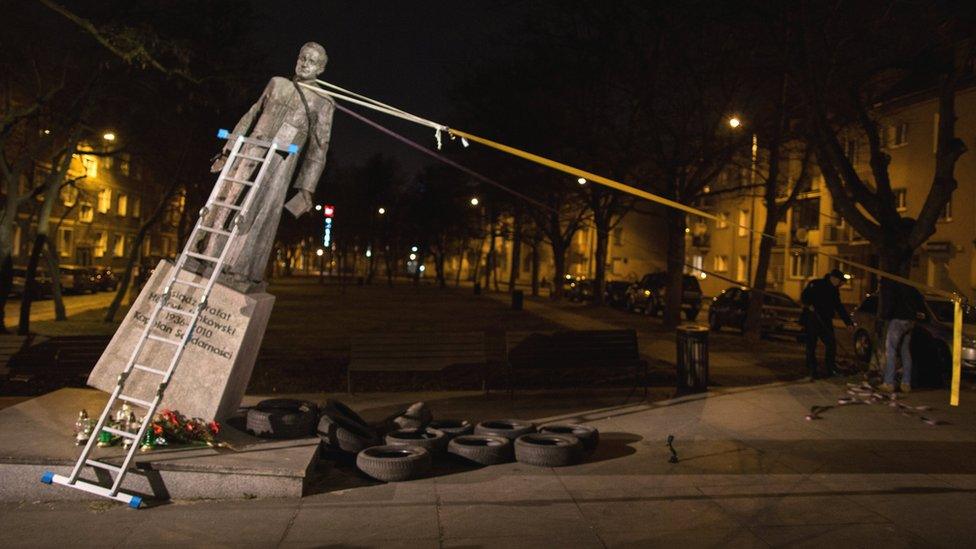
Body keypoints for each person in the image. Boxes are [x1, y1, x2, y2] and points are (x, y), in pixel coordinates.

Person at [196, 41, 335, 292]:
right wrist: (228, 150)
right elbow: (252, 114)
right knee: (227, 199)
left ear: (321, 69)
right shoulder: (276, 83)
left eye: (312, 61)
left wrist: (306, 187)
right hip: (249, 150)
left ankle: (239, 269)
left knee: (258, 211)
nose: (305, 63)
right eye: (303, 57)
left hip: (279, 164)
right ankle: (205, 255)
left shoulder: (323, 101)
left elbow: (319, 146)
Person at [800, 269, 854, 378]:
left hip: (825, 320)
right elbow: (804, 297)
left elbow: (839, 307)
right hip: (812, 319)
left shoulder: (834, 290)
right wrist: (808, 305)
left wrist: (848, 323)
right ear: (833, 278)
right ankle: (812, 369)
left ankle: (830, 368)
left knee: (831, 344)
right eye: (840, 281)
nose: (841, 284)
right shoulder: (816, 284)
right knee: (811, 345)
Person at [878, 278, 927, 393]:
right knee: (905, 351)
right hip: (910, 321)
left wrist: (884, 316)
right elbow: (921, 303)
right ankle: (906, 383)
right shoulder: (912, 288)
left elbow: (889, 303)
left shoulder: (892, 287)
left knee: (890, 350)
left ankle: (889, 383)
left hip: (898, 319)